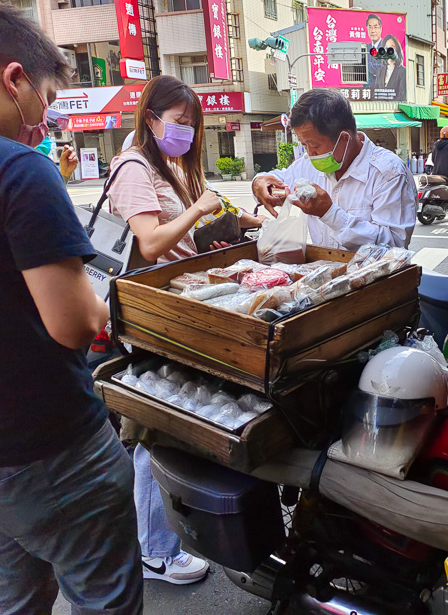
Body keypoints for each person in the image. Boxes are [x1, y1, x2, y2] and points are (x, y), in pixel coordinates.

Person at [0, 5, 143, 613]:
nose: (45, 120)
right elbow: (74, 324)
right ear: (13, 78)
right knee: (104, 597)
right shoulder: (17, 169)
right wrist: (99, 305)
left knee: (12, 596)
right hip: (42, 446)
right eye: (45, 97)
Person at [107, 74, 265, 585]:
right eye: (179, 122)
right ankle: (154, 550)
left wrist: (235, 226)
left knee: (170, 425)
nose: (188, 132)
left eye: (193, 124)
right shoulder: (133, 166)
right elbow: (151, 244)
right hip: (152, 313)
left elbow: (187, 240)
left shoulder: (170, 166)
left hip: (184, 303)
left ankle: (156, 540)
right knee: (160, 430)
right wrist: (199, 208)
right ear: (150, 120)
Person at [252, 88, 416, 250]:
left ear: (344, 138)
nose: (309, 153)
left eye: (315, 146)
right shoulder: (308, 164)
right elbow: (275, 179)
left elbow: (394, 244)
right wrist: (259, 183)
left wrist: (329, 214)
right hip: (326, 271)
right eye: (304, 145)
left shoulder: (388, 173)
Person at [373, 34, 406, 102]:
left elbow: (402, 95)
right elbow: (375, 93)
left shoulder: (403, 71)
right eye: (386, 47)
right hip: (380, 108)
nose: (388, 51)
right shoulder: (380, 71)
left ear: (397, 50)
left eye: (391, 47)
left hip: (395, 109)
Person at [365, 13, 385, 86]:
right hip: (366, 91)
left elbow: (384, 68)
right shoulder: (365, 48)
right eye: (370, 27)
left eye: (375, 27)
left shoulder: (386, 47)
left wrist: (367, 65)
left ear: (380, 29)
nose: (372, 31)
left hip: (382, 90)